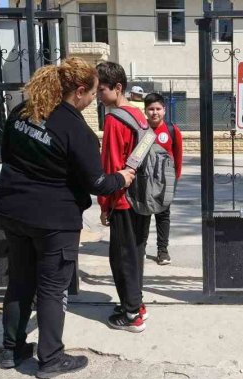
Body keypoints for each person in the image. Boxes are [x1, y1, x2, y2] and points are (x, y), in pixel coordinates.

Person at [0, 58, 135, 379]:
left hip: (13, 212)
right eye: (92, 93)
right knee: (52, 289)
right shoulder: (75, 129)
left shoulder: (21, 113)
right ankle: (51, 358)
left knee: (19, 281)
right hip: (53, 222)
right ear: (80, 91)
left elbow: (8, 156)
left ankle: (10, 350)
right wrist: (122, 178)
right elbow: (96, 182)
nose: (93, 100)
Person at [97, 61, 151, 332]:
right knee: (135, 253)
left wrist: (104, 205)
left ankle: (132, 315)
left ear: (117, 88)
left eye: (102, 90)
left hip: (121, 199)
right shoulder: (138, 115)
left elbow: (110, 165)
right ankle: (136, 303)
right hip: (142, 198)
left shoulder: (114, 119)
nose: (98, 96)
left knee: (122, 257)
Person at [143, 92, 183, 265]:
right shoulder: (140, 129)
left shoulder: (172, 130)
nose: (154, 113)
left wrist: (176, 179)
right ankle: (140, 248)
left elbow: (178, 157)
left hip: (165, 182)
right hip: (144, 181)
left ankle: (162, 251)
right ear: (145, 111)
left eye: (158, 109)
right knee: (142, 214)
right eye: (151, 109)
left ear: (164, 110)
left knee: (163, 215)